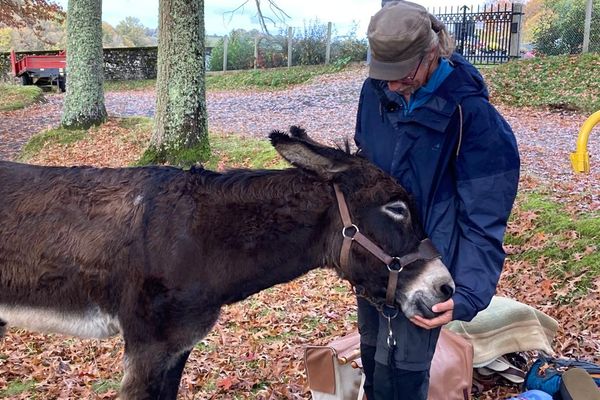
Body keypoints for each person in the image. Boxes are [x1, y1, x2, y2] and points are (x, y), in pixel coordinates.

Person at [354, 1, 520, 399]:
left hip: (426, 269)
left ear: (432, 54)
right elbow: (364, 169)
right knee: (373, 359)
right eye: (384, 75)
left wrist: (467, 293)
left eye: (401, 75)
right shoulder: (374, 92)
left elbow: (484, 219)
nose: (392, 85)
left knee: (405, 376)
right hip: (376, 263)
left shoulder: (473, 117)